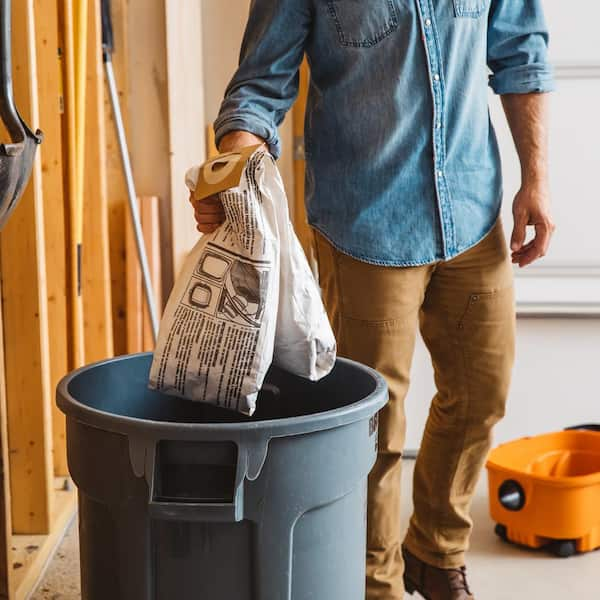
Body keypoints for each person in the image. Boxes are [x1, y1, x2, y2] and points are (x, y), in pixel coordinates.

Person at [191, 2, 555, 598]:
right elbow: (259, 87)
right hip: (365, 224)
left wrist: (535, 178)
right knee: (374, 431)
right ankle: (373, 584)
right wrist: (232, 171)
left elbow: (522, 55)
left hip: (471, 212)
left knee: (481, 396)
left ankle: (436, 553)